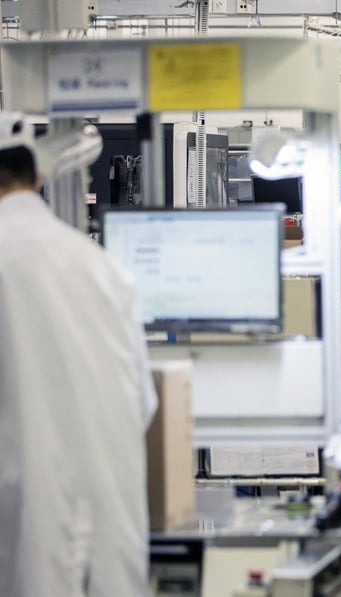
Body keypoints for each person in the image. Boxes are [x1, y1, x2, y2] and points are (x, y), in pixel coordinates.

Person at [0, 114, 157, 596]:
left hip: (23, 542)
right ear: (40, 174)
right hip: (106, 548)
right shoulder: (101, 268)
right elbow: (143, 406)